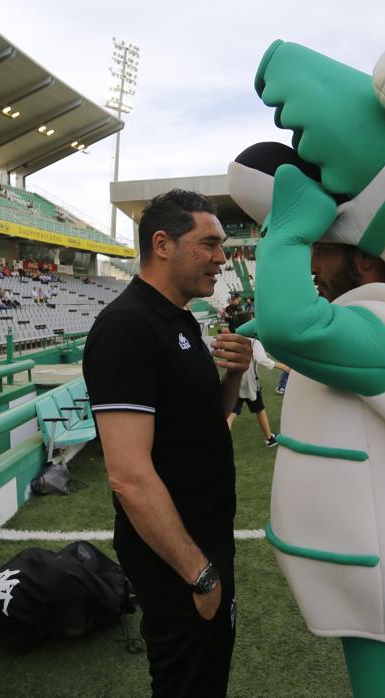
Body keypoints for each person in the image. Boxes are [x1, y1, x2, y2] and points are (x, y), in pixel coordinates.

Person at [83, 189, 251, 697]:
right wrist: (198, 573)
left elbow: (205, 422)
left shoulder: (177, 319)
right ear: (162, 244)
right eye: (209, 244)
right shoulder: (127, 327)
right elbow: (128, 476)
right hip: (177, 555)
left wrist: (232, 378)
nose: (223, 258)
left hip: (205, 540)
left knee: (208, 675)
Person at [224, 311, 288, 447]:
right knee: (260, 409)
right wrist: (281, 366)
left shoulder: (233, 338)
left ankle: (221, 442)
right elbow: (262, 360)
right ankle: (269, 438)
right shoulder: (253, 342)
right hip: (250, 383)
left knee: (232, 412)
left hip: (235, 381)